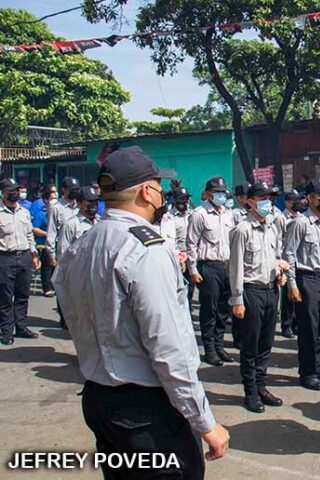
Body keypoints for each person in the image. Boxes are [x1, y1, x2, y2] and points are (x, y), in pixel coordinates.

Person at [53, 147, 229, 478]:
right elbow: (168, 347)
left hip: (99, 397)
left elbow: (70, 311)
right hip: (146, 410)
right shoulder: (145, 249)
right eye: (159, 185)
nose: (163, 193)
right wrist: (204, 421)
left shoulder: (82, 245)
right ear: (147, 191)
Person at [229, 181, 286, 413]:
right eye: (262, 198)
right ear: (250, 202)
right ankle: (250, 391)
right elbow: (236, 267)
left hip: (271, 290)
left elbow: (276, 255)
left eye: (269, 198)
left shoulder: (272, 227)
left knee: (266, 343)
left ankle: (261, 385)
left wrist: (280, 271)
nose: (267, 203)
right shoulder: (242, 230)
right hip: (251, 291)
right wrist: (237, 300)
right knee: (250, 345)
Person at [284, 178, 320, 391]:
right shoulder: (300, 223)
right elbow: (289, 254)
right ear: (309, 198)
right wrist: (292, 285)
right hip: (307, 278)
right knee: (309, 328)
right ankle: (308, 372)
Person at [187, 176, 236, 366]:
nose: (221, 195)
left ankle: (219, 345)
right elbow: (191, 243)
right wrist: (193, 269)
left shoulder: (229, 214)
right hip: (208, 266)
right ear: (208, 194)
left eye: (223, 192)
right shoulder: (199, 214)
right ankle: (209, 349)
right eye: (216, 192)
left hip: (226, 266)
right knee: (210, 309)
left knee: (223, 309)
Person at [0, 178, 41, 345]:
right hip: (5, 257)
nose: (16, 193)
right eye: (12, 191)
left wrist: (34, 254)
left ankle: (21, 327)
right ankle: (7, 331)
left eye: (17, 190)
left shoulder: (24, 212)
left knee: (23, 294)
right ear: (3, 193)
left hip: (24, 256)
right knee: (5, 296)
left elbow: (29, 235)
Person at [279, 189, 304, 339]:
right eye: (295, 200)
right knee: (288, 294)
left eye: (299, 200)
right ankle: (286, 325)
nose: (298, 203)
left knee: (299, 293)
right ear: (288, 202)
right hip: (286, 259)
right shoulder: (282, 218)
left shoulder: (302, 218)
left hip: (299, 260)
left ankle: (296, 324)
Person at [45, 177, 80, 267]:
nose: (75, 192)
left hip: (80, 251)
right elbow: (51, 232)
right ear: (64, 190)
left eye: (76, 189)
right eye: (72, 190)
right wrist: (52, 256)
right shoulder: (56, 207)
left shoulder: (80, 206)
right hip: (63, 251)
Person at [57, 186, 100, 256]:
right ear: (79, 203)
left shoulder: (101, 222)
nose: (93, 204)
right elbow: (62, 254)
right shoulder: (70, 225)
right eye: (90, 201)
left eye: (95, 201)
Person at [32, 184, 56, 297]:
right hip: (44, 243)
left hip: (57, 242)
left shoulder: (58, 212)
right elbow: (34, 229)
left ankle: (56, 286)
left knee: (57, 265)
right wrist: (48, 234)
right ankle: (47, 288)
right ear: (46, 200)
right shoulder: (41, 214)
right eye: (52, 198)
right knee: (47, 266)